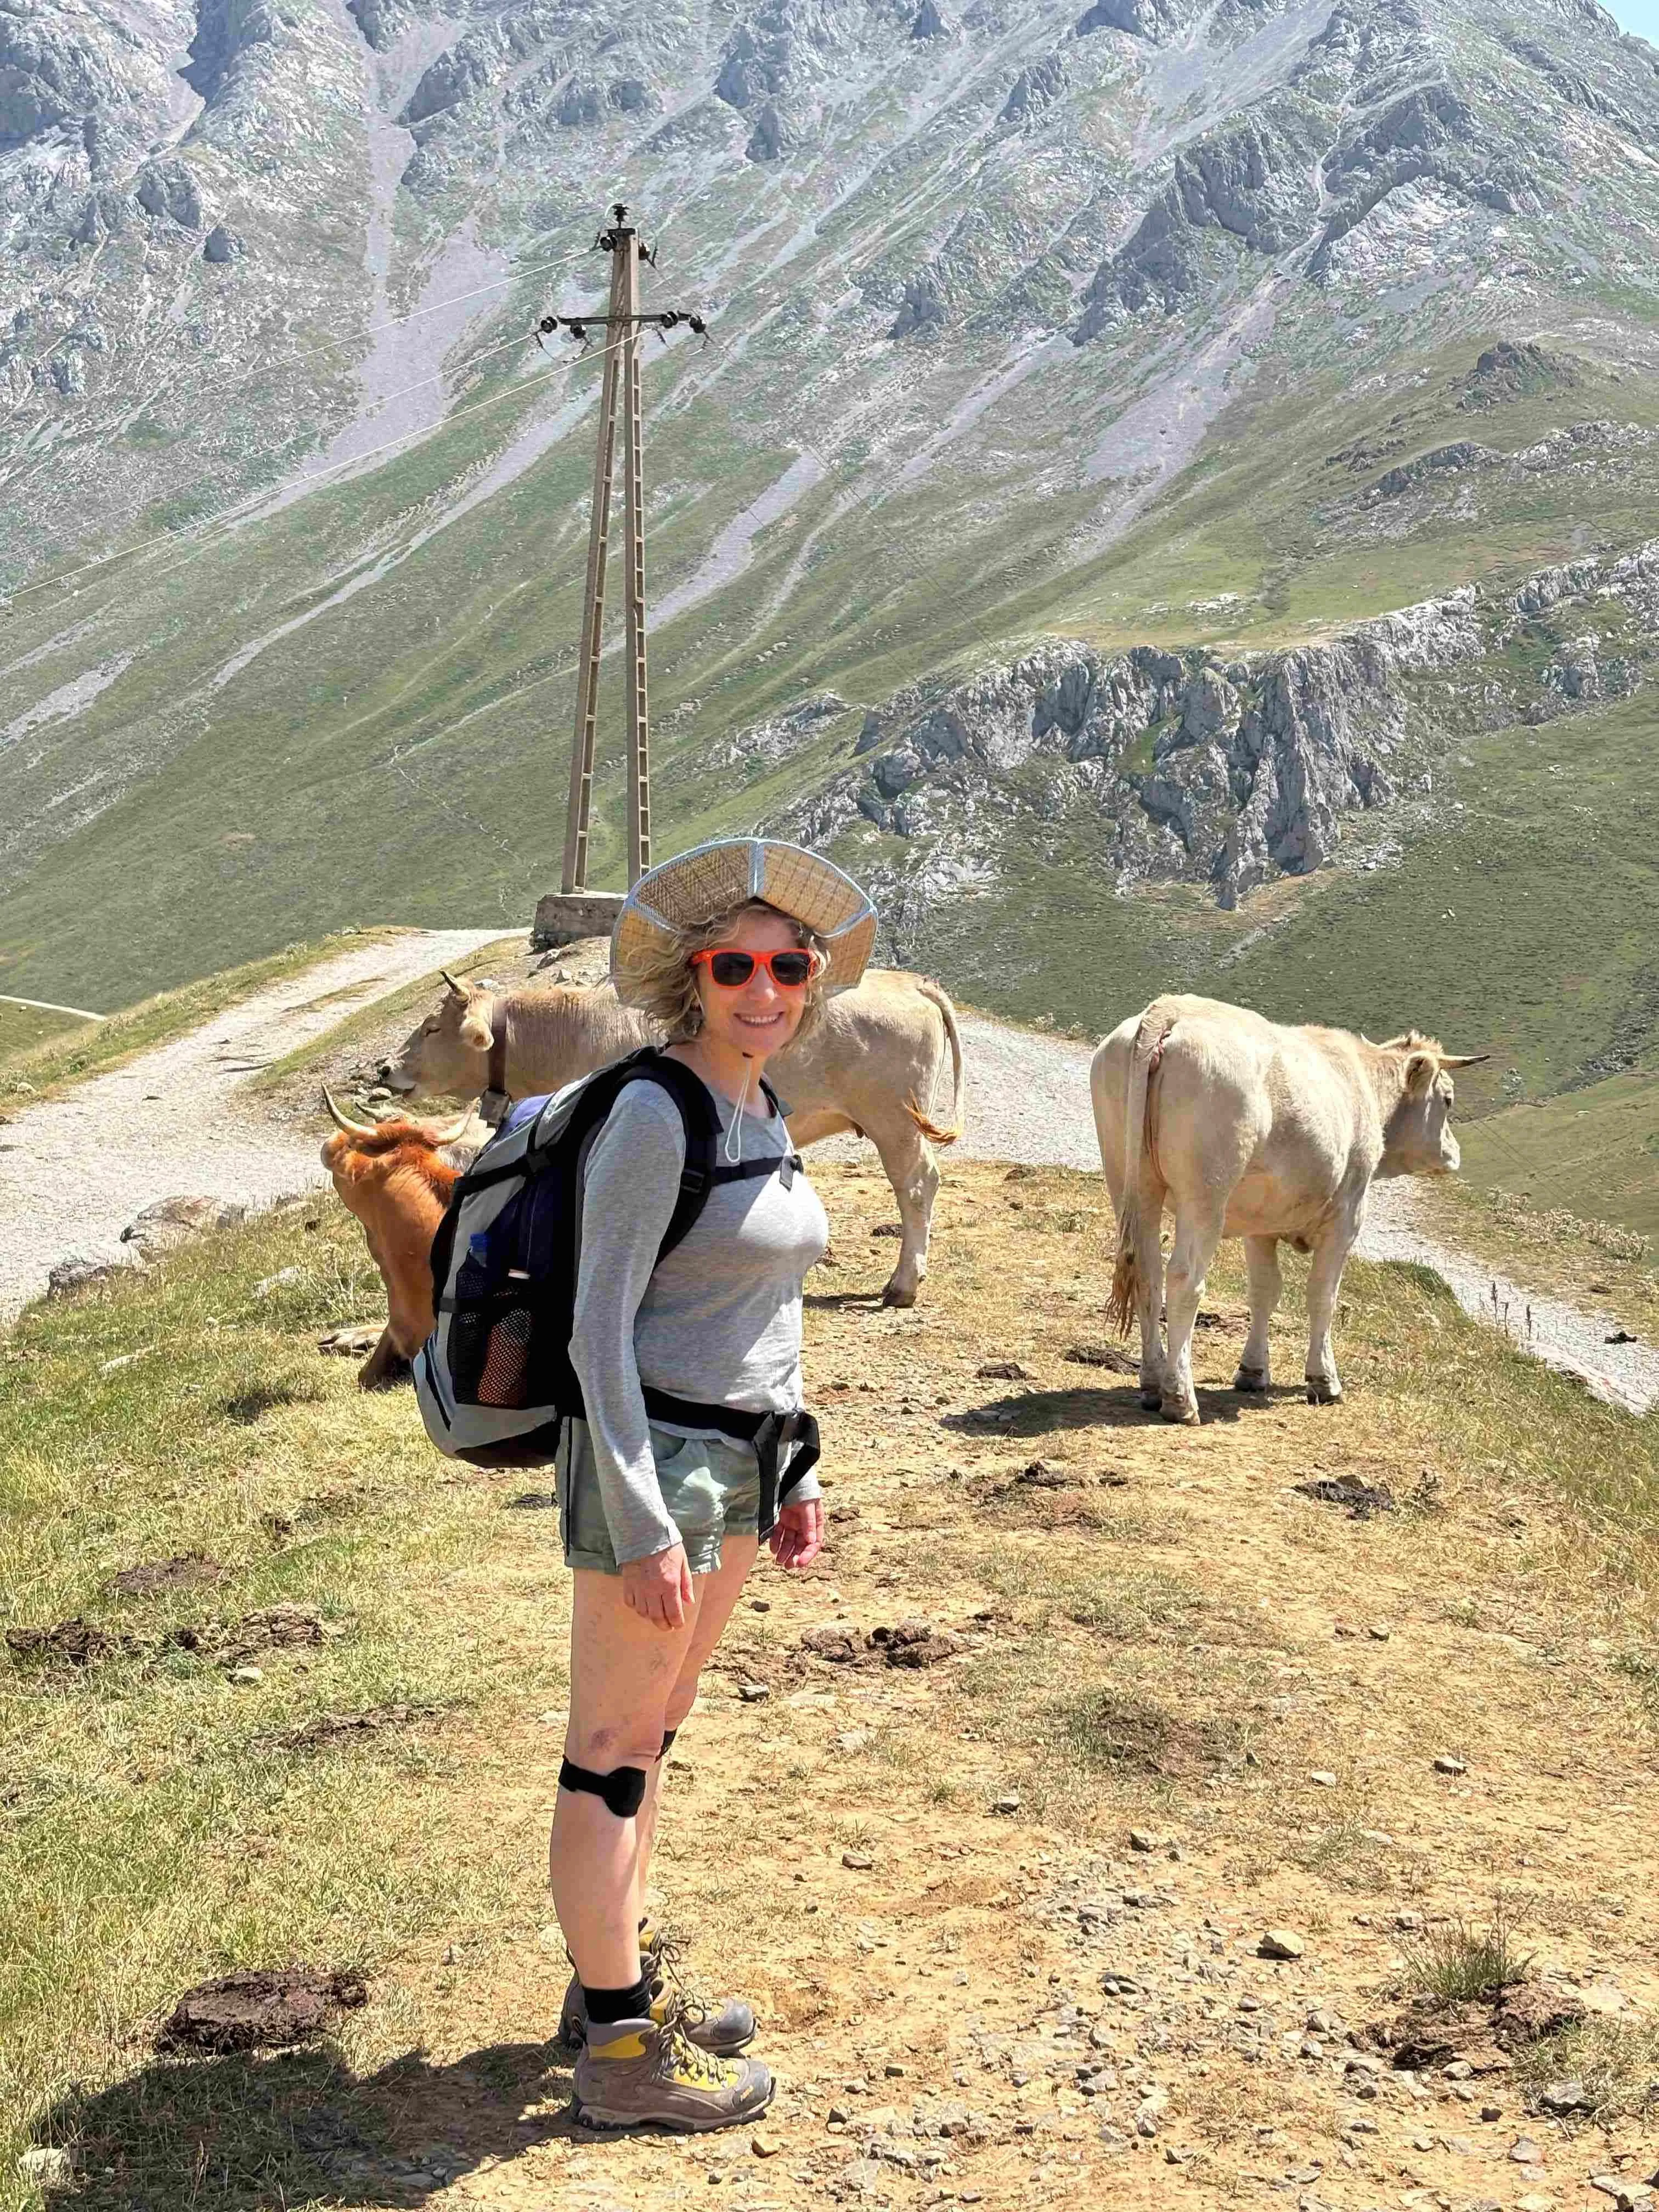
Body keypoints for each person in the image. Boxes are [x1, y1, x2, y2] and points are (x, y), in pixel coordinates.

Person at [550, 837, 878, 2133]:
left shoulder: (760, 1106)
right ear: (696, 977)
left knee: (658, 1734)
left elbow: (765, 1309)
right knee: (611, 1751)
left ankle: (610, 1977)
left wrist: (791, 1462)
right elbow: (595, 1332)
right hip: (660, 1466)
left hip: (737, 1463)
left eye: (786, 966)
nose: (764, 986)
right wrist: (641, 1520)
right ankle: (623, 2059)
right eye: (734, 964)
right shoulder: (655, 1110)